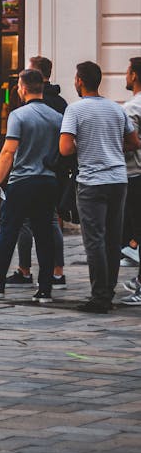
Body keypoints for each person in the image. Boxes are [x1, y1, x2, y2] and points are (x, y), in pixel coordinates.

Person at [0, 68, 62, 304]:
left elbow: (8, 151)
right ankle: (44, 290)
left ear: (22, 88)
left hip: (22, 181)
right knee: (44, 234)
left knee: (9, 231)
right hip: (48, 181)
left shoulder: (19, 115)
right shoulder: (57, 118)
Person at [59, 60, 140, 313]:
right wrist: (112, 148)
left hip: (92, 182)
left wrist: (85, 146)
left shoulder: (75, 110)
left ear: (80, 81)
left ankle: (100, 296)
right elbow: (134, 141)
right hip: (118, 180)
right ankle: (110, 290)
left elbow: (65, 148)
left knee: (94, 240)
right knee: (113, 240)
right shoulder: (117, 109)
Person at [7, 56, 68, 289]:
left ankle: (25, 270)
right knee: (51, 223)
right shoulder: (60, 104)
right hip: (52, 173)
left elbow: (11, 148)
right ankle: (56, 272)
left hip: (29, 173)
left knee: (25, 223)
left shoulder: (29, 109)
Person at [120, 57, 141, 305]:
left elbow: (128, 142)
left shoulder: (132, 108)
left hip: (135, 174)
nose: (126, 76)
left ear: (134, 75)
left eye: (128, 71)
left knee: (136, 231)